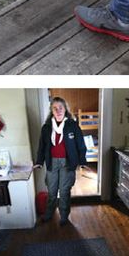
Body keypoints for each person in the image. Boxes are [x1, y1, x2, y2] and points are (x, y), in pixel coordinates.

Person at [33, 96, 88, 224]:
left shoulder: (72, 125)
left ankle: (64, 216)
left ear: (65, 109)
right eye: (55, 108)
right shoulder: (46, 127)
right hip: (52, 162)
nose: (58, 111)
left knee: (64, 191)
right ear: (52, 111)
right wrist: (39, 162)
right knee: (51, 191)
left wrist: (82, 161)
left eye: (60, 108)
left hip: (68, 163)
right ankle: (49, 213)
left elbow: (81, 144)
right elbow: (42, 147)